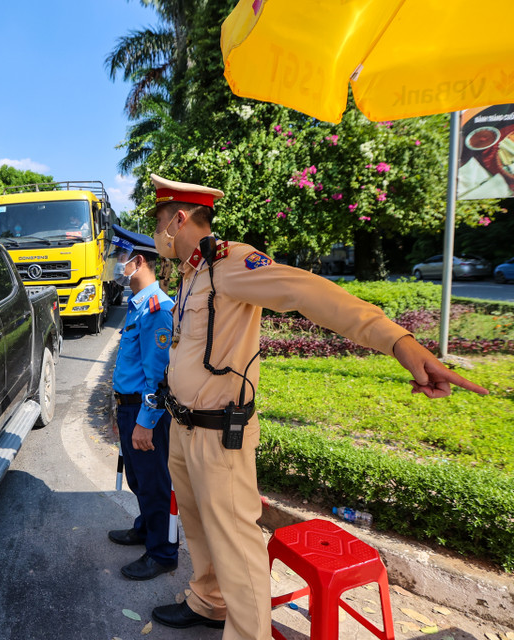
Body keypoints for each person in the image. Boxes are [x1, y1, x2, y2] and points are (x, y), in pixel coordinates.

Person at [145, 173, 489, 639]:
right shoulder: (191, 273)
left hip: (218, 433)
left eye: (158, 223)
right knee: (200, 527)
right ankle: (210, 602)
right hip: (183, 426)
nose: (155, 233)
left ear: (179, 219)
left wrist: (400, 343)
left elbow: (310, 293)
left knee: (236, 544)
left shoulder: (232, 263)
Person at [108, 233, 179, 580]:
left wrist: (145, 422)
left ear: (138, 262)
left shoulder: (156, 309)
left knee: (154, 483)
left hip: (144, 411)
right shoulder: (137, 303)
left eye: (120, 257)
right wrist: (119, 410)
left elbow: (159, 377)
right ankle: (146, 527)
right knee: (138, 478)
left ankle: (163, 552)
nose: (115, 263)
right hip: (129, 408)